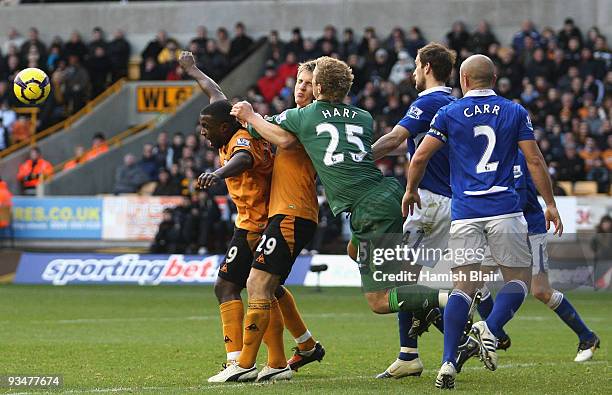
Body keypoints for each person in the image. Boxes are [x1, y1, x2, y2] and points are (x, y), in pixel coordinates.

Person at [231, 56, 450, 378]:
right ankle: (429, 329)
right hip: (383, 193)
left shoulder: (303, 115)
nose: (304, 87)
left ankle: (450, 296)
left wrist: (248, 115)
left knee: (378, 300)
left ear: (318, 86)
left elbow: (277, 134)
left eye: (309, 82)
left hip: (369, 209)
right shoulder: (363, 117)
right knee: (355, 252)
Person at [404, 54, 562, 389]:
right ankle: (488, 328)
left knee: (464, 287)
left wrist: (410, 190)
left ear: (463, 79)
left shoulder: (448, 112)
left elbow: (419, 155)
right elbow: (534, 159)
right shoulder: (514, 111)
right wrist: (549, 203)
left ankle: (447, 363)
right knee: (518, 282)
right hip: (505, 209)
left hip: (465, 214)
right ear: (495, 78)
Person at [181, 51, 324, 382]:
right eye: (299, 81)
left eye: (205, 127)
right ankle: (300, 347)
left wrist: (217, 174)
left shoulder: (243, 136)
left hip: (259, 222)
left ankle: (245, 361)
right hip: (250, 221)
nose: (201, 132)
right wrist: (193, 69)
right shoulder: (234, 122)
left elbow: (244, 159)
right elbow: (215, 93)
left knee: (244, 286)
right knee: (265, 288)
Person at [454, 152, 600, 373]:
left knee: (540, 290)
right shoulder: (489, 152)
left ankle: (587, 337)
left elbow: (518, 198)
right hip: (499, 228)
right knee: (473, 280)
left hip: (528, 229)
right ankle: (496, 335)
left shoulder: (516, 154)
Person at [371, 42, 456, 379]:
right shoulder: (455, 103)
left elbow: (394, 139)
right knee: (412, 279)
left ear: (428, 67)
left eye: (417, 66)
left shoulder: (431, 101)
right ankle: (409, 354)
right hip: (449, 201)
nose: (414, 73)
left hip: (428, 201)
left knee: (399, 279)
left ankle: (460, 307)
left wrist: (356, 159)